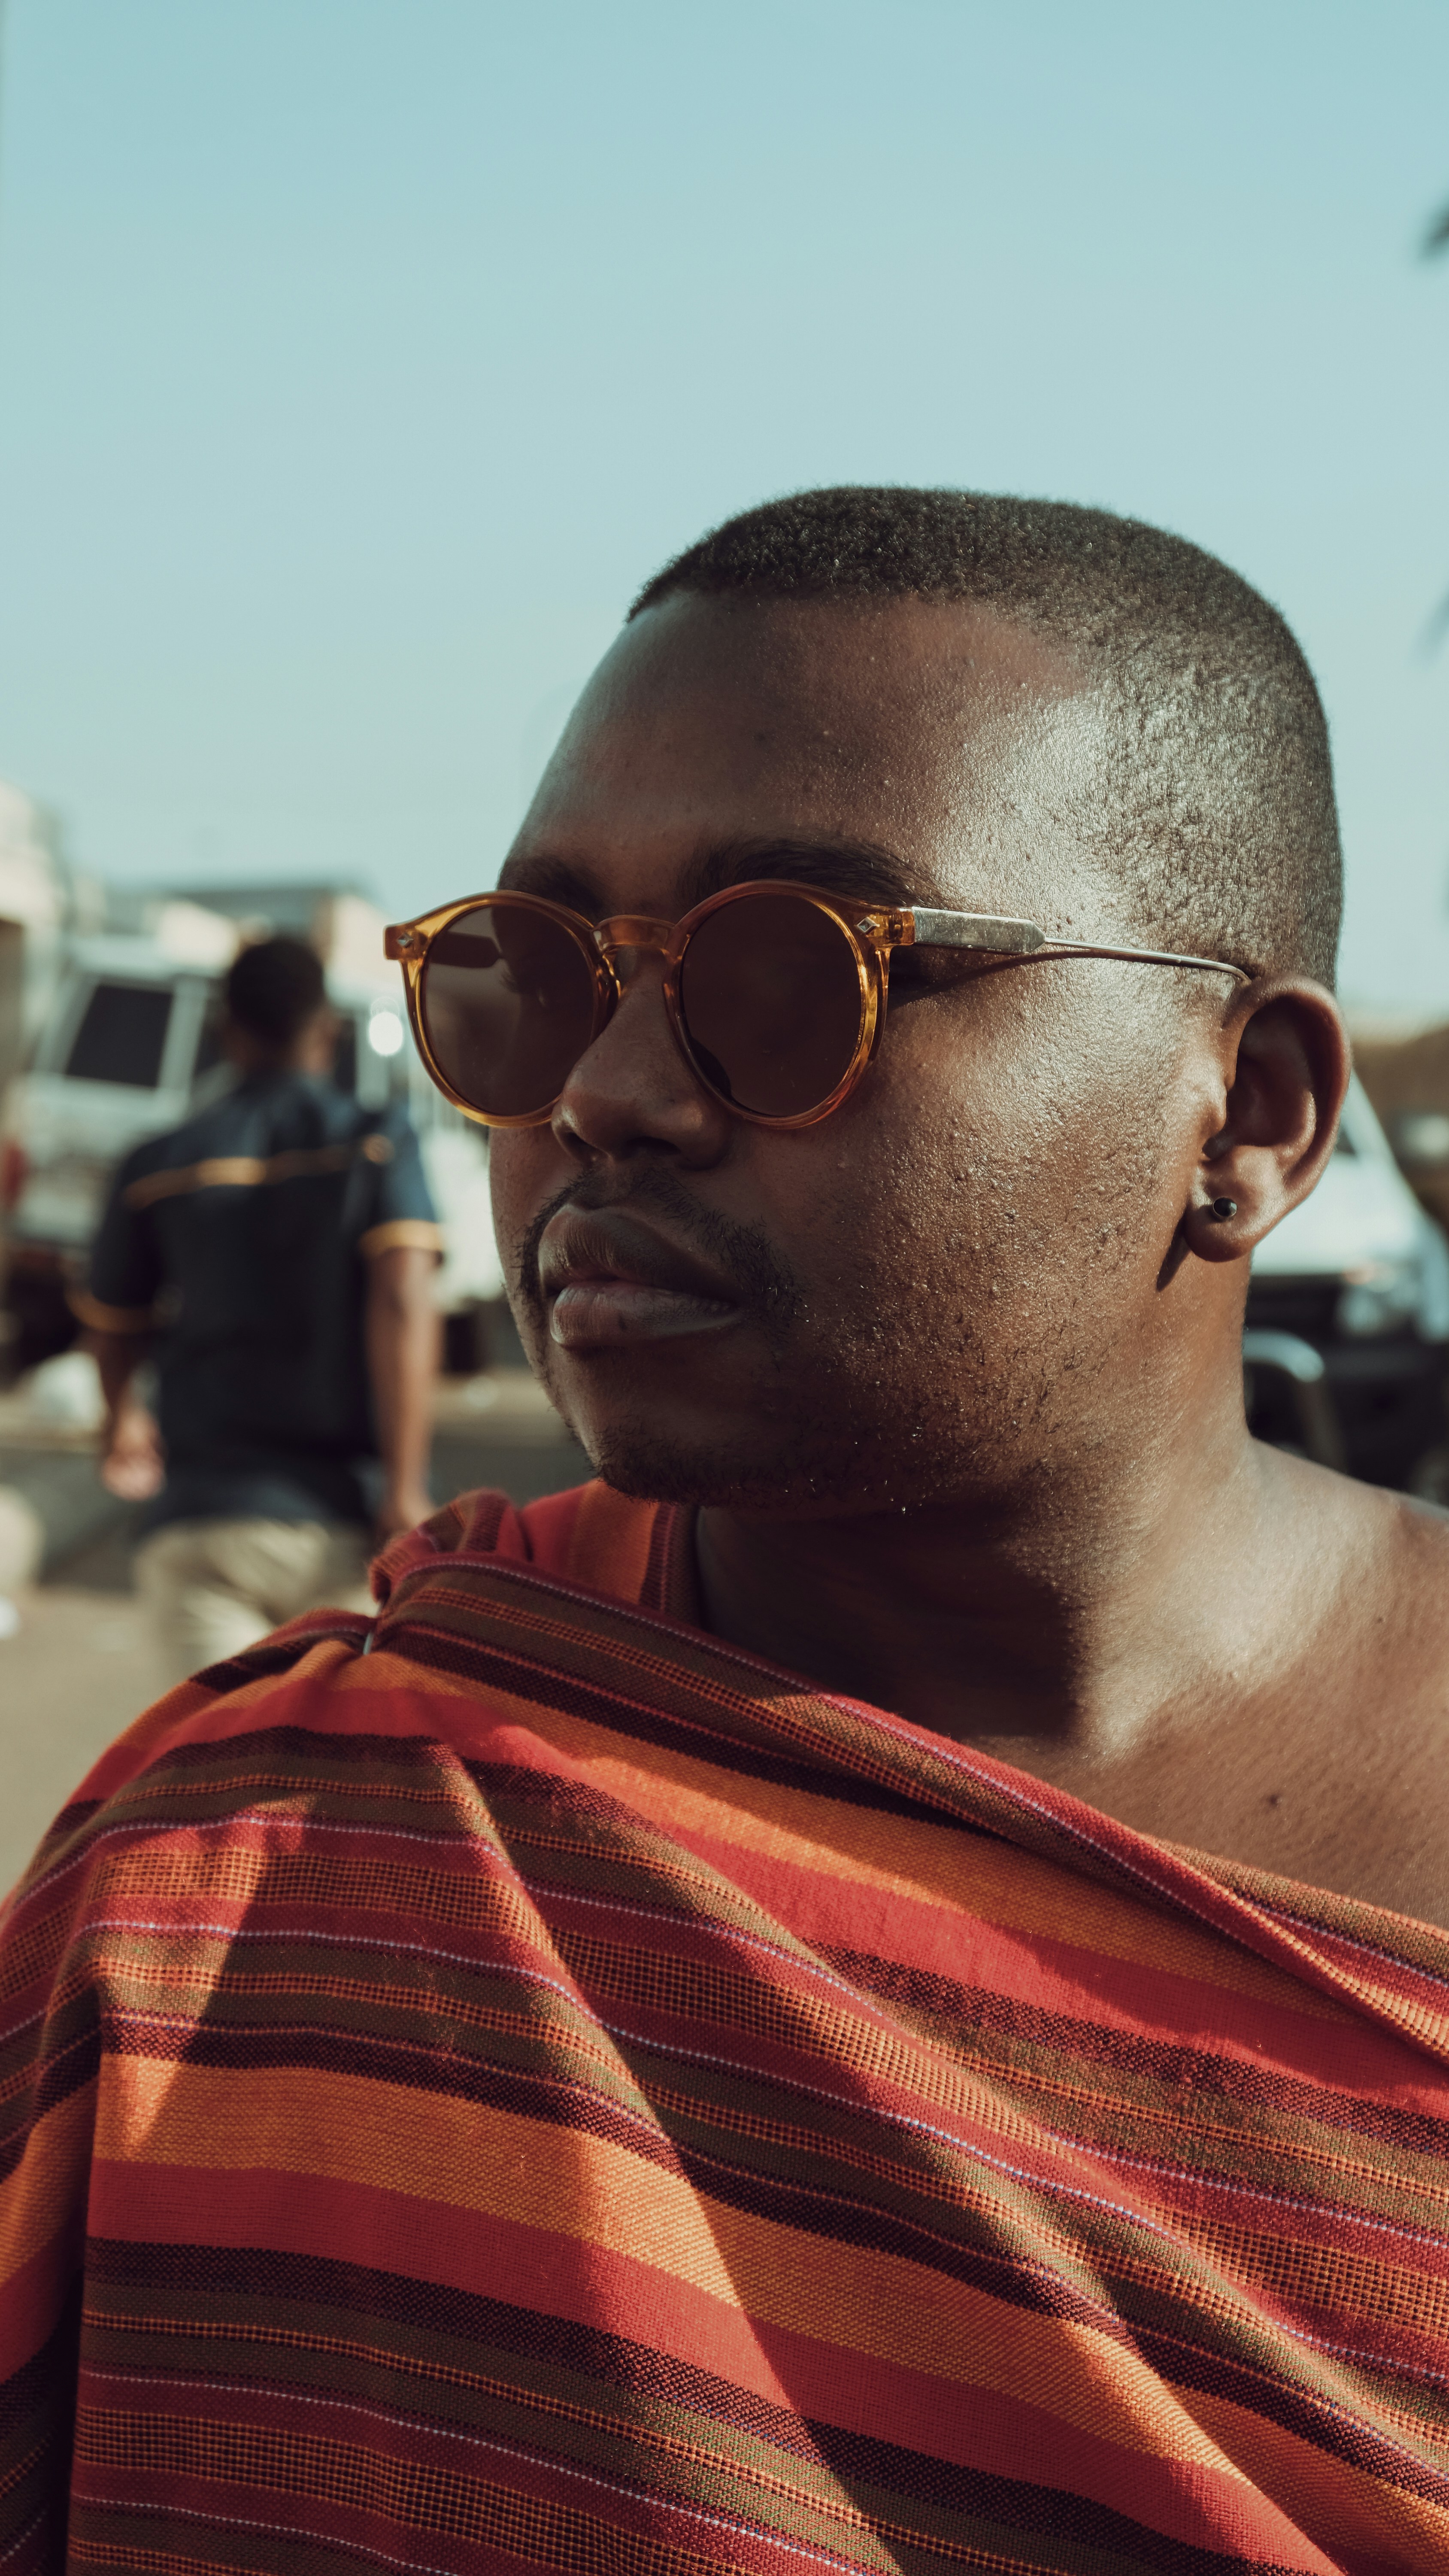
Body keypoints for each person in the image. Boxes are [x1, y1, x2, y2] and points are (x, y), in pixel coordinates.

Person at [5, 491, 1449, 2574]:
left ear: (1249, 1113)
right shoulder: (249, 1893)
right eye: (526, 975)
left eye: (789, 980)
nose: (600, 1094)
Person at [73, 932, 442, 1678]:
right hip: (345, 1525)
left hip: (202, 1526)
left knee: (219, 1750)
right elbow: (404, 1300)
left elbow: (113, 1329)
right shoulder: (376, 1143)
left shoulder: (156, 1163)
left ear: (226, 1030)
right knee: (335, 1753)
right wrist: (406, 1490)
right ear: (326, 1029)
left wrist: (122, 1422)